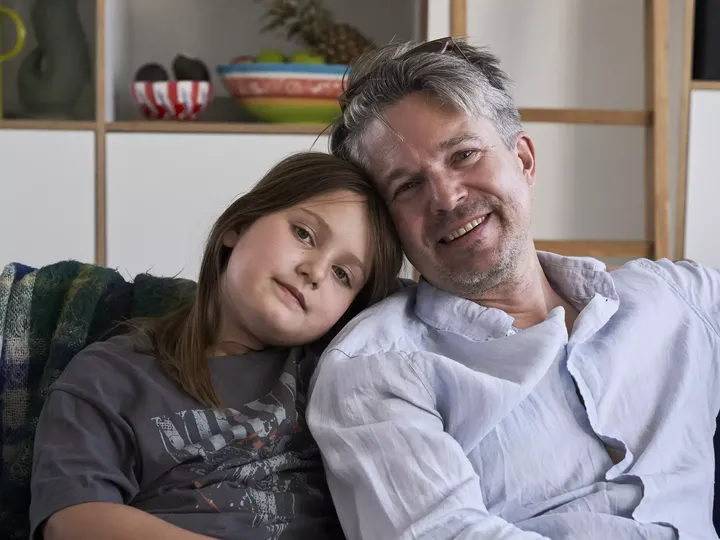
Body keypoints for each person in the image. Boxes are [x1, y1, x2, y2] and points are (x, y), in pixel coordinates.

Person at [306, 37, 720, 540]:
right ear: (387, 224)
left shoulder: (675, 298)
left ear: (523, 160)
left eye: (464, 154)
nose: (447, 197)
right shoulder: (377, 368)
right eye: (407, 186)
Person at [29, 152, 404, 540]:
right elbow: (73, 521)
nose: (315, 271)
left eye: (343, 274)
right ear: (238, 226)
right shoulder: (110, 375)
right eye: (303, 234)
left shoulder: (340, 377)